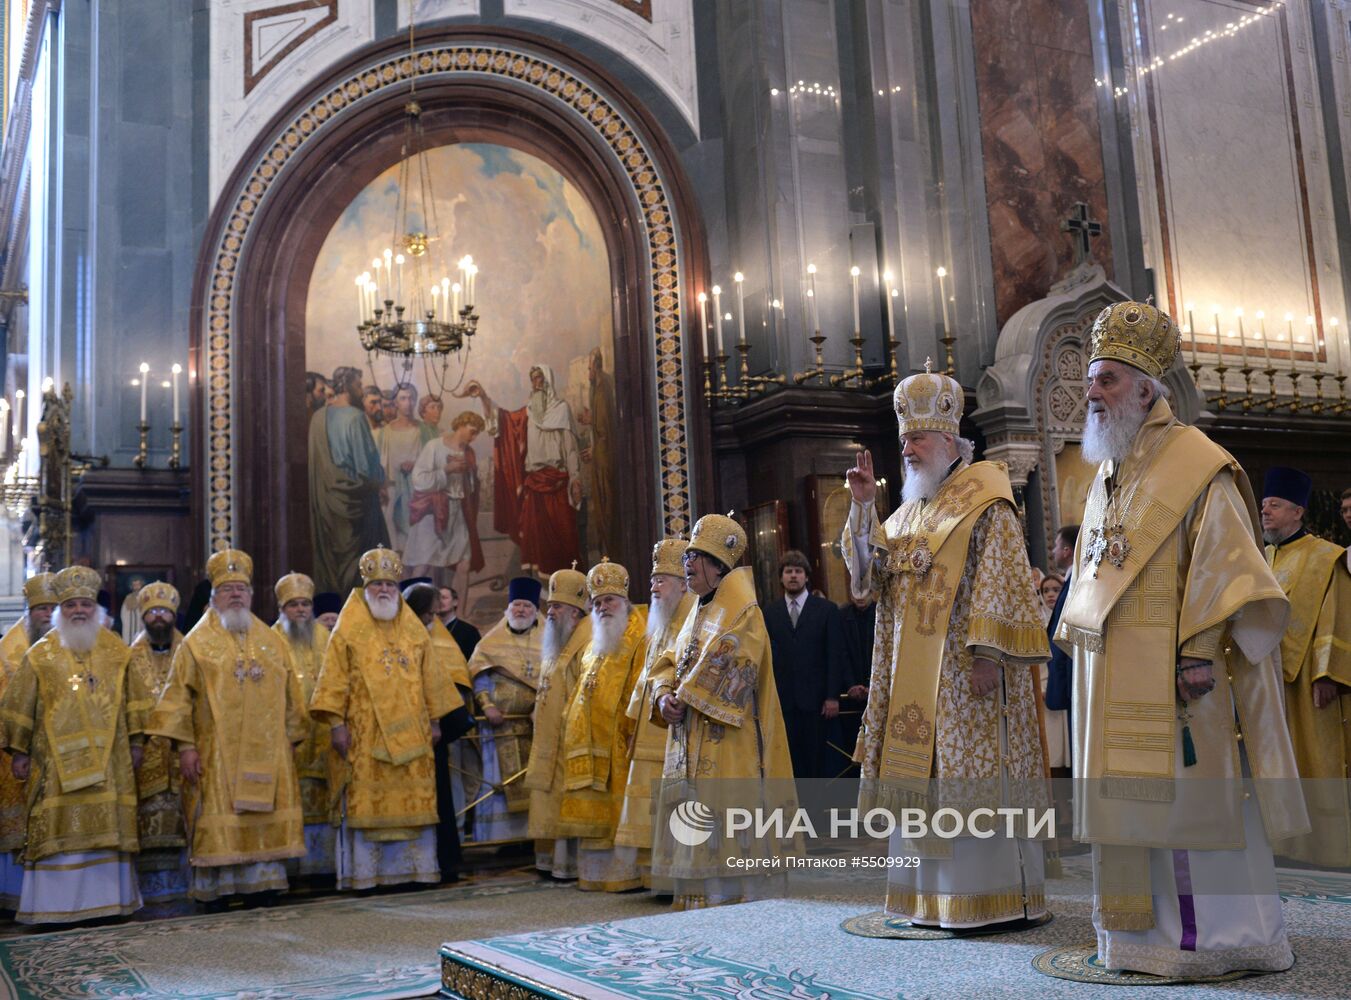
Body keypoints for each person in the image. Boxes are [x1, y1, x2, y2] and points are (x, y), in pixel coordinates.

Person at [1056, 301, 1307, 977]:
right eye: (1091, 379)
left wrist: (1196, 652)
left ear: (1146, 388)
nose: (1092, 393)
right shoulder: (1109, 472)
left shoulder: (1197, 464)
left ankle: (1209, 941)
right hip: (1113, 673)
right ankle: (1131, 939)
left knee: (1185, 804)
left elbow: (1226, 562)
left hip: (1175, 675)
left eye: (1107, 380)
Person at [843, 361, 1053, 930]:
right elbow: (868, 584)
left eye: (917, 438)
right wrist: (864, 507)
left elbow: (1002, 578)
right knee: (926, 781)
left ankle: (994, 897)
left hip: (964, 678)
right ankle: (927, 900)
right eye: (903, 438)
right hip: (912, 678)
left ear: (947, 438)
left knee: (969, 779)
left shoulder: (987, 498)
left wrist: (988, 654)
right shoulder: (912, 509)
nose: (907, 449)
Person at [649, 514, 798, 910]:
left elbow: (736, 667)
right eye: (687, 557)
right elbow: (668, 660)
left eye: (695, 557)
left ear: (718, 565)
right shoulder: (697, 609)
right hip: (690, 739)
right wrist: (664, 695)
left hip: (730, 744)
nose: (687, 565)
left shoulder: (741, 610)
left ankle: (737, 904)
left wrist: (684, 696)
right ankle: (700, 902)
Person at [146, 550, 307, 905]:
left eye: (242, 588)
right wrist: (186, 746)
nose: (236, 594)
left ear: (251, 595)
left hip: (269, 751)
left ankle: (263, 886)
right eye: (227, 589)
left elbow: (292, 695)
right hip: (215, 752)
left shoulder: (271, 640)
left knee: (264, 815)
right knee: (220, 817)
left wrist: (292, 737)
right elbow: (176, 700)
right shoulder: (195, 643)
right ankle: (219, 890)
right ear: (213, 596)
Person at [0, 566, 148, 924]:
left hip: (111, 763)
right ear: (58, 611)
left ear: (95, 609)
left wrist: (137, 741)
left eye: (85, 604)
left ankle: (110, 904)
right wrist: (19, 751)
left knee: (106, 829)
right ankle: (55, 909)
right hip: (54, 767)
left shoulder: (117, 652)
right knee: (59, 832)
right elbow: (19, 706)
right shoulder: (40, 654)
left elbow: (136, 702)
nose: (78, 610)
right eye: (70, 606)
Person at [309, 549, 456, 890]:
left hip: (416, 737)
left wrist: (435, 721)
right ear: (366, 587)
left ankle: (415, 872)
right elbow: (333, 679)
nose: (385, 590)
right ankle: (368, 876)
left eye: (390, 583)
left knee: (413, 806)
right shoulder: (347, 629)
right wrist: (336, 724)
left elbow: (431, 677)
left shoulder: (412, 629)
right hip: (365, 735)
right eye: (377, 584)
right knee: (369, 807)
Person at [1260, 466, 1351, 867]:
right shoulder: (1258, 558)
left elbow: (1337, 616)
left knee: (1318, 763)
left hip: (1310, 684)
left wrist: (1328, 674)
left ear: (1298, 511)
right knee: (1277, 767)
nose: (1265, 512)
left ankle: (1328, 849)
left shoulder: (1327, 557)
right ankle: (1283, 846)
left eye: (1274, 506)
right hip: (1264, 680)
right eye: (1263, 505)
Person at [558, 560, 647, 891]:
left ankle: (626, 875)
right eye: (596, 603)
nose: (603, 608)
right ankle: (596, 875)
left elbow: (642, 683)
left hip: (621, 737)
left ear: (623, 601)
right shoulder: (593, 642)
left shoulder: (641, 634)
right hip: (590, 739)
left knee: (620, 808)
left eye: (609, 600)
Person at [616, 539, 694, 889]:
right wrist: (634, 717)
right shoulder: (659, 620)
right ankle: (654, 876)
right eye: (652, 580)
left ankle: (674, 877)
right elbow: (647, 672)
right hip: (651, 726)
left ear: (683, 583)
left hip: (674, 724)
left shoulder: (694, 614)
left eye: (661, 580)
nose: (653, 587)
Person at [459, 367, 583, 576]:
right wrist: (484, 397)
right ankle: (541, 593)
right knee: (536, 541)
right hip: (534, 483)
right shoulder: (528, 413)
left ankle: (568, 587)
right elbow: (503, 420)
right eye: (533, 380)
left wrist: (576, 478)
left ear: (549, 382)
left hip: (558, 481)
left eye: (540, 379)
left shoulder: (561, 410)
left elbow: (571, 448)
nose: (536, 384)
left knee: (564, 537)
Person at [401, 581, 474, 881]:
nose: (434, 620)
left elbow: (451, 677)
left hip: (434, 730)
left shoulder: (435, 636)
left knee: (441, 796)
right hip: (404, 730)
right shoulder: (403, 635)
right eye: (430, 614)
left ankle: (444, 863)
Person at [127, 582, 191, 911]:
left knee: (185, 818)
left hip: (182, 752)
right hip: (146, 754)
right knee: (146, 821)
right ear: (143, 617)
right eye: (152, 612)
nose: (158, 617)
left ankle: (185, 887)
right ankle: (150, 892)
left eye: (164, 611)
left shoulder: (190, 650)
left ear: (174, 615)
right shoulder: (128, 658)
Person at [524, 566, 592, 879]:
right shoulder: (556, 640)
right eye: (549, 606)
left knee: (568, 798)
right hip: (549, 735)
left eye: (558, 607)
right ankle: (549, 860)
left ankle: (571, 864)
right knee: (548, 796)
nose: (550, 612)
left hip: (573, 734)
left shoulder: (588, 638)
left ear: (576, 611)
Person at [466, 578, 543, 842]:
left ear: (535, 610)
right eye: (516, 605)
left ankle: (530, 838)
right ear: (507, 609)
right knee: (498, 784)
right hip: (500, 728)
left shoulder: (548, 640)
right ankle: (498, 839)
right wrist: (487, 707)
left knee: (533, 783)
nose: (520, 610)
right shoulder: (490, 642)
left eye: (525, 605)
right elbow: (479, 677)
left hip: (534, 727)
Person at [272, 572, 336, 879]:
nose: (301, 610)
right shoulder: (271, 640)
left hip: (324, 734)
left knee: (325, 799)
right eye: (294, 604)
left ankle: (324, 867)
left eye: (305, 604)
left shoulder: (325, 638)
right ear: (282, 608)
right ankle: (295, 868)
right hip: (289, 738)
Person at [763, 550, 847, 781]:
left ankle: (815, 812)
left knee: (817, 762)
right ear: (781, 577)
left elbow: (834, 655)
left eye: (798, 571)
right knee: (789, 761)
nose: (793, 576)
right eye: (788, 571)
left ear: (806, 577)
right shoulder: (769, 613)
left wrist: (832, 697)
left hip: (817, 701)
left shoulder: (826, 610)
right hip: (783, 701)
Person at [0, 573, 57, 909]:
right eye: (41, 609)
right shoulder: (9, 650)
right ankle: (13, 895)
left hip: (54, 751)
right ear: (29, 611)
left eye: (53, 607)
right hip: (14, 754)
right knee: (14, 828)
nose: (48, 614)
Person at [310, 366, 390, 594]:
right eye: (357, 385)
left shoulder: (317, 418)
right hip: (357, 505)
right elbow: (367, 470)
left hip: (327, 505)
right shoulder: (356, 418)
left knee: (333, 564)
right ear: (345, 386)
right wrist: (381, 478)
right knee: (360, 566)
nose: (360, 390)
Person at [404, 410, 486, 599]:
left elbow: (471, 486)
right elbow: (419, 480)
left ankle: (461, 617)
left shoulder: (468, 452)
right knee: (423, 565)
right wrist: (446, 470)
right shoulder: (434, 446)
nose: (473, 438)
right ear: (461, 426)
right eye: (472, 432)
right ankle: (408, 612)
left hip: (458, 513)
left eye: (476, 434)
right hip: (435, 512)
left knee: (464, 564)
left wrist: (470, 475)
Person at [835, 574, 874, 778]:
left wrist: (873, 686)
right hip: (849, 694)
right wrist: (851, 685)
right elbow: (841, 654)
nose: (860, 596)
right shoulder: (840, 616)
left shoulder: (880, 613)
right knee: (849, 752)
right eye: (855, 590)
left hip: (876, 691)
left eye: (865, 590)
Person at [377, 382, 423, 551]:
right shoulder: (386, 431)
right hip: (392, 488)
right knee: (390, 529)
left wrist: (416, 464)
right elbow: (379, 461)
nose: (408, 402)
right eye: (403, 398)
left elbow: (431, 459)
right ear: (396, 402)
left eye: (411, 398)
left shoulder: (422, 429)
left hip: (416, 489)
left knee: (414, 533)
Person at [438, 585, 481, 659]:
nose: (440, 601)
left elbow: (475, 661)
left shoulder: (469, 631)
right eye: (437, 599)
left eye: (444, 598)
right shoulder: (428, 629)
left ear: (455, 602)